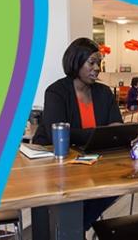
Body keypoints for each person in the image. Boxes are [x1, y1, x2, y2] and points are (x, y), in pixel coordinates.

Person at [31, 37, 122, 232]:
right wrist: (98, 134)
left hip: (91, 161)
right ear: (75, 62)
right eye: (92, 62)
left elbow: (116, 127)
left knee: (118, 184)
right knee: (69, 200)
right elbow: (58, 130)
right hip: (55, 161)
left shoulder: (104, 92)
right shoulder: (56, 91)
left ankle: (71, 229)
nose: (97, 68)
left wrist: (105, 134)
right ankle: (71, 229)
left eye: (99, 63)